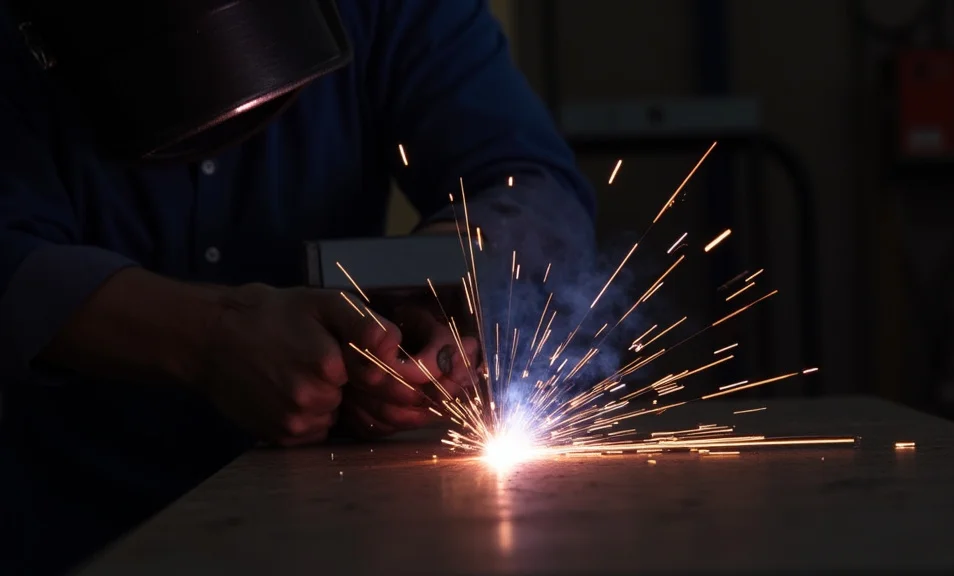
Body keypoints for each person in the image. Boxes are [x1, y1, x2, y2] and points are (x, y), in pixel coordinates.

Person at [0, 1, 597, 574]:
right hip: (72, 530)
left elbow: (530, 184)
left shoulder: (394, 9)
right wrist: (210, 337)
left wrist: (434, 289)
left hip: (341, 526)